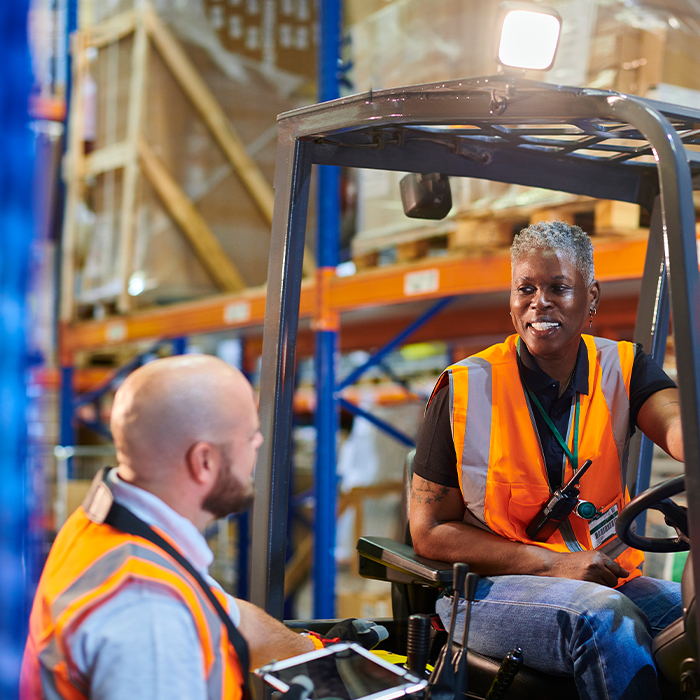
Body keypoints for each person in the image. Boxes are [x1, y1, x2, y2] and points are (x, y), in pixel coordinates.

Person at [410, 221, 684, 700]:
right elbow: (429, 530)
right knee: (605, 620)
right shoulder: (464, 387)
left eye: (559, 287)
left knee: (694, 615)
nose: (540, 302)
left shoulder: (623, 366)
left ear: (592, 297)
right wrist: (551, 566)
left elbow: (676, 423)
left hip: (603, 574)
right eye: (526, 288)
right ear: (512, 299)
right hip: (489, 590)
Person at [21, 355, 321, 700]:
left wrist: (319, 655)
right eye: (250, 435)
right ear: (204, 461)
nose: (259, 444)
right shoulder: (152, 618)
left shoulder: (106, 524)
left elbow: (226, 612)